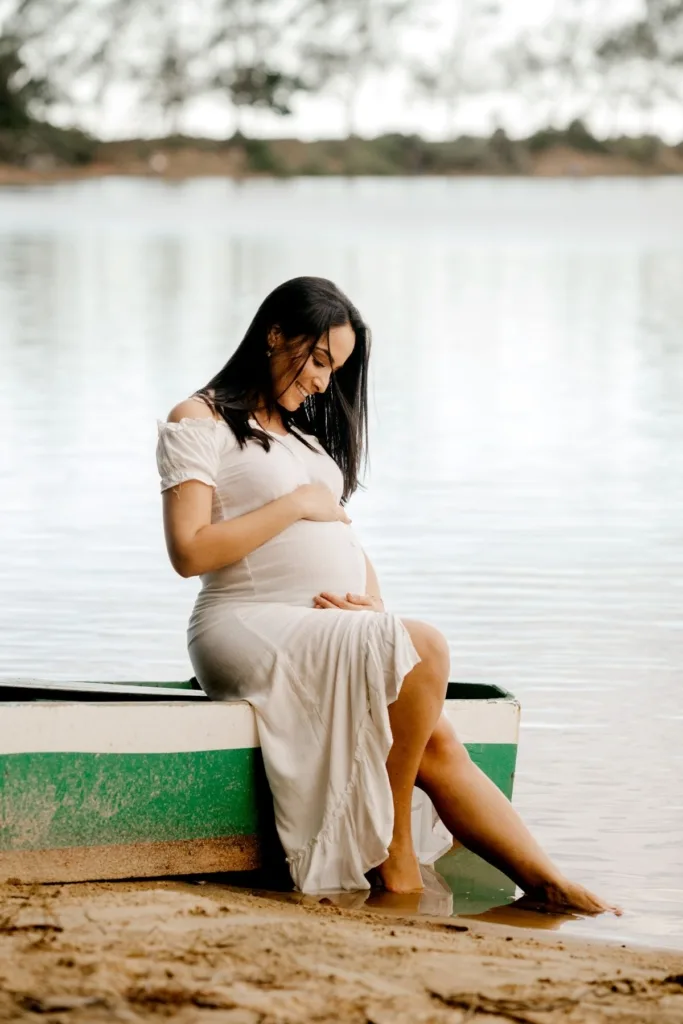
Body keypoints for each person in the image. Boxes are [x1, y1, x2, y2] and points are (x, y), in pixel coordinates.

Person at [156, 275, 619, 913]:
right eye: (318, 359)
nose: (324, 380)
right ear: (274, 335)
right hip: (245, 624)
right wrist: (294, 506)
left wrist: (371, 608)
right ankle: (394, 839)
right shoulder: (198, 420)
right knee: (424, 646)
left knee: (438, 739)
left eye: (335, 368)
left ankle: (546, 881)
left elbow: (345, 540)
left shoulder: (306, 442)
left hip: (322, 626)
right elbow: (190, 552)